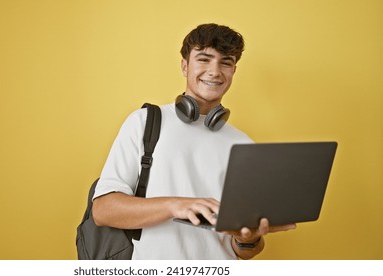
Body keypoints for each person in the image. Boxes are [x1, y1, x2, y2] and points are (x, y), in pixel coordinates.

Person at [92, 23, 296, 260]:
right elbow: (104, 210)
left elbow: (243, 251)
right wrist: (175, 205)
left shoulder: (244, 145)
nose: (215, 71)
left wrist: (247, 239)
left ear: (233, 71)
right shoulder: (145, 122)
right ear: (184, 65)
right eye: (204, 59)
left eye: (226, 62)